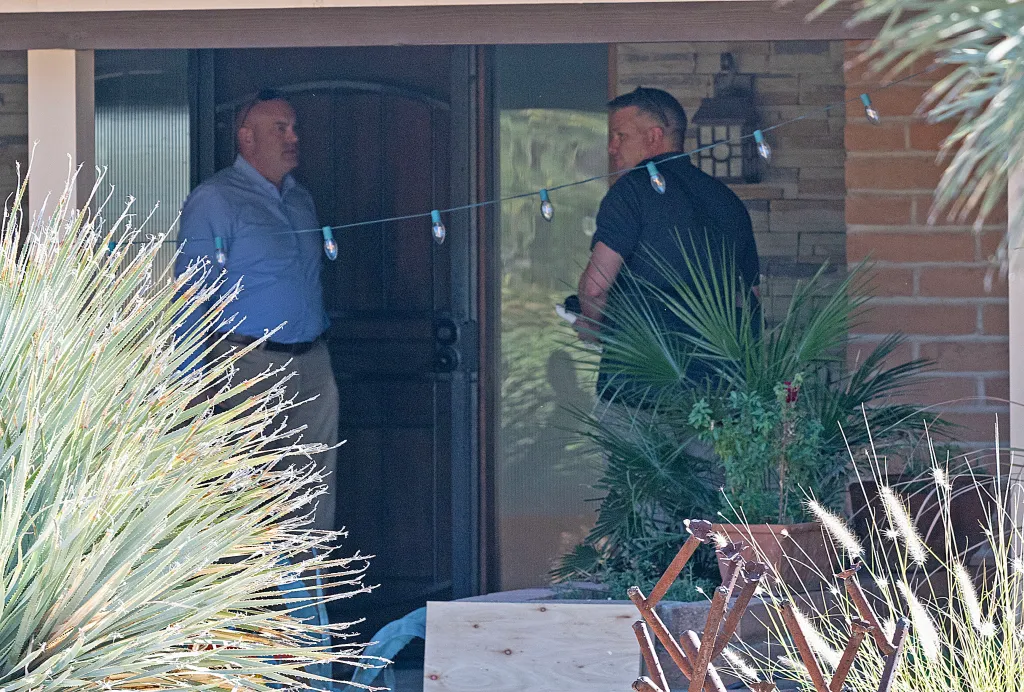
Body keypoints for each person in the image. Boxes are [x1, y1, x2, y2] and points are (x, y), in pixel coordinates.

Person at [174, 88, 339, 534]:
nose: (293, 137)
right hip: (247, 362)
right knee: (252, 493)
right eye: (280, 128)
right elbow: (191, 293)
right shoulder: (215, 199)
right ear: (247, 137)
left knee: (313, 489)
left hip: (313, 362)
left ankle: (311, 579)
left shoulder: (301, 199)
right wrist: (190, 383)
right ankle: (258, 583)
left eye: (294, 128)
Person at [576, 86, 760, 402]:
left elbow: (595, 288)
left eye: (620, 136)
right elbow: (751, 297)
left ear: (654, 136)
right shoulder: (727, 200)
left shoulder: (630, 191)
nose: (612, 147)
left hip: (637, 387)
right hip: (718, 389)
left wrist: (593, 325)